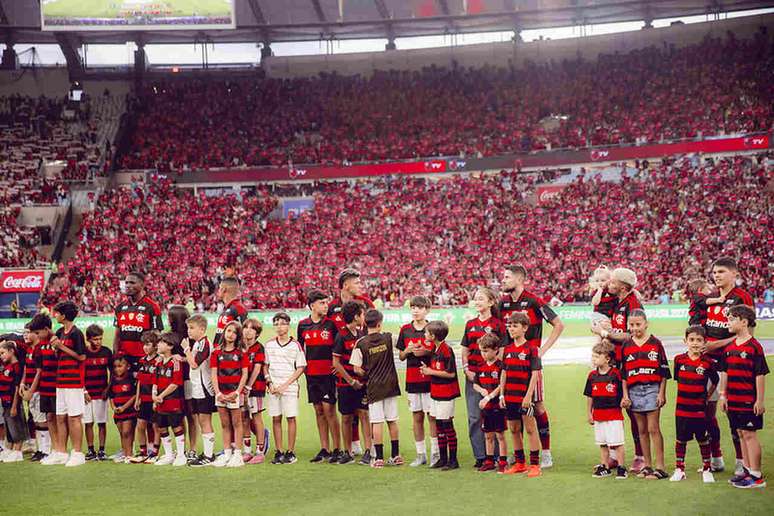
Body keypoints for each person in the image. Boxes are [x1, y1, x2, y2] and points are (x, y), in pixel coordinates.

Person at [499, 264, 564, 468]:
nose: (503, 280)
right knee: (511, 408)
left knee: (537, 406)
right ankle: (517, 454)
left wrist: (542, 350)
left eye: (507, 277)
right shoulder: (503, 303)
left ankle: (545, 452)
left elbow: (558, 324)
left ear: (519, 279)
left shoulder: (534, 301)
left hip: (530, 364)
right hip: (511, 363)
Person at [703, 257, 755, 475]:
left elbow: (748, 334)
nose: (717, 275)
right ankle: (716, 457)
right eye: (715, 272)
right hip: (708, 363)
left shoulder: (742, 298)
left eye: (722, 271)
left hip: (732, 364)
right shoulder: (711, 298)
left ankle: (742, 461)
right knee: (706, 412)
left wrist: (718, 344)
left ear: (734, 274)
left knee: (733, 414)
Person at [591, 267, 645, 472]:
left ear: (622, 286)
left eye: (612, 282)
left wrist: (604, 332)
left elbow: (631, 334)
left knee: (633, 411)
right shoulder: (618, 301)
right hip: (617, 361)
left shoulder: (632, 303)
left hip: (630, 362)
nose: (608, 284)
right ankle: (613, 456)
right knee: (612, 408)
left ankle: (640, 455)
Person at [718, 305, 768, 489]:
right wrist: (723, 396)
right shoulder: (729, 347)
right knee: (739, 433)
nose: (728, 322)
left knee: (749, 434)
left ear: (744, 322)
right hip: (733, 400)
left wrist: (759, 400)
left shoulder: (754, 346)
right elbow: (725, 372)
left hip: (748, 400)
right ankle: (747, 470)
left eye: (732, 319)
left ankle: (756, 475)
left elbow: (760, 374)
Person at [328, 268, 374, 456]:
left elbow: (374, 329)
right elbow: (329, 334)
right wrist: (334, 363)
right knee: (347, 411)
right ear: (346, 284)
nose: (360, 286)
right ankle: (352, 444)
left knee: (363, 410)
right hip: (342, 366)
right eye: (357, 282)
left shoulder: (366, 303)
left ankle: (367, 447)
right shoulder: (331, 307)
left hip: (362, 368)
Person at [620, 309, 671, 480]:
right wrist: (625, 395)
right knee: (641, 430)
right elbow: (624, 375)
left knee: (653, 428)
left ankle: (660, 467)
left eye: (638, 324)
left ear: (646, 323)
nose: (635, 328)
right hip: (634, 391)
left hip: (652, 389)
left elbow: (664, 371)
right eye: (631, 325)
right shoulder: (626, 345)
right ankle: (647, 466)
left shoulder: (655, 343)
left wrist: (661, 393)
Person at [461, 286, 506, 469]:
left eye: (481, 298)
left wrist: (495, 370)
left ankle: (496, 456)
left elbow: (502, 351)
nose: (477, 302)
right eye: (476, 299)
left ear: (491, 302)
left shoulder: (498, 324)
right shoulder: (470, 324)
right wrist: (466, 369)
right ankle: (480, 456)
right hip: (473, 376)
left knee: (493, 416)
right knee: (474, 417)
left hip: (493, 378)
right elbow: (464, 349)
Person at [351, 309, 402, 468]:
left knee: (377, 422)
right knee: (392, 420)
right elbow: (402, 343)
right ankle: (395, 455)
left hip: (374, 387)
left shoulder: (361, 343)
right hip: (391, 385)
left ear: (365, 323)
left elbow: (356, 368)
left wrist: (366, 373)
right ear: (379, 324)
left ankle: (379, 458)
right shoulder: (388, 337)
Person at [670, 326, 718, 483]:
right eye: (691, 340)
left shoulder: (708, 362)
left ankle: (706, 469)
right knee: (681, 439)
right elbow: (678, 379)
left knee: (702, 439)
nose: (695, 343)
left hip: (699, 410)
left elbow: (715, 381)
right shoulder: (679, 360)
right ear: (685, 341)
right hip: (682, 409)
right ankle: (679, 469)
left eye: (699, 340)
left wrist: (707, 396)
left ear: (705, 342)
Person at [298, 289, 342, 463]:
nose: (326, 306)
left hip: (328, 375)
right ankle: (325, 448)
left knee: (329, 410)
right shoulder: (303, 325)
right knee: (318, 411)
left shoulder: (331, 324)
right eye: (322, 303)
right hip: (312, 375)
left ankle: (337, 449)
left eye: (326, 302)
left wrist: (337, 366)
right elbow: (300, 350)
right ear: (312, 306)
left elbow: (338, 347)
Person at [396, 295, 438, 467]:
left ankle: (435, 452)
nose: (415, 310)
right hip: (412, 380)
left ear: (426, 310)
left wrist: (426, 352)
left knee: (432, 417)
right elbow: (400, 356)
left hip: (430, 379)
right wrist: (407, 350)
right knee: (417, 417)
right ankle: (421, 454)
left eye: (419, 307)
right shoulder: (405, 329)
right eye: (413, 307)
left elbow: (439, 352)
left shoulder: (433, 328)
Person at [500, 312, 542, 477]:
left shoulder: (532, 349)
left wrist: (528, 396)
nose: (511, 329)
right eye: (509, 326)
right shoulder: (508, 349)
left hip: (524, 398)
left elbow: (535, 374)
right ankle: (520, 463)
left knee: (531, 429)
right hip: (509, 396)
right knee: (514, 429)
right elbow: (504, 373)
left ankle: (535, 465)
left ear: (525, 328)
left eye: (515, 326)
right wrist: (502, 394)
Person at [264, 312, 306, 465]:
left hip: (289, 387)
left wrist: (286, 384)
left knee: (290, 418)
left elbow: (300, 367)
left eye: (282, 323)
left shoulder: (295, 345)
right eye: (276, 324)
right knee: (276, 418)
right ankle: (279, 450)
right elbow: (265, 366)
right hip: (274, 388)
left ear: (288, 325)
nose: (279, 327)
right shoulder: (269, 344)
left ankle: (290, 451)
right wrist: (269, 383)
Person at [332, 301, 370, 465]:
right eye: (362, 314)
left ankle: (369, 450)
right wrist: (351, 380)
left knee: (364, 414)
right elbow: (336, 363)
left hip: (362, 384)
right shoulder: (341, 335)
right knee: (346, 417)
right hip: (345, 385)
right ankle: (348, 452)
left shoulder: (363, 334)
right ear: (356, 316)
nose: (364, 317)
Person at [584, 340, 627, 479]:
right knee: (602, 443)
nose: (594, 359)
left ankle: (621, 467)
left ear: (607, 358)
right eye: (593, 356)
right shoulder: (592, 376)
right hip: (598, 415)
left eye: (597, 356)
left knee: (617, 442)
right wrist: (589, 413)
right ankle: (605, 466)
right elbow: (589, 396)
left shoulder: (616, 374)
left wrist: (624, 399)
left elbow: (622, 392)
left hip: (614, 415)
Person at [51, 301, 87, 467]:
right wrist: (56, 348)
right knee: (60, 417)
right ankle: (62, 452)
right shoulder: (59, 332)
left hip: (73, 382)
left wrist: (61, 347)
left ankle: (78, 453)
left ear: (64, 315)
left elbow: (81, 357)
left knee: (74, 418)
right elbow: (59, 356)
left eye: (57, 313)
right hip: (61, 381)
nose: (54, 315)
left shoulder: (76, 333)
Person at [421, 320, 460, 470]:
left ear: (433, 335)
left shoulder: (446, 350)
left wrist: (430, 372)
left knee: (447, 426)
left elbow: (450, 374)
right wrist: (428, 369)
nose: (425, 334)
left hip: (446, 394)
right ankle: (443, 459)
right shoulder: (436, 349)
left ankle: (453, 460)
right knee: (439, 426)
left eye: (427, 332)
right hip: (436, 393)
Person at [211, 320, 249, 468]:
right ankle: (227, 453)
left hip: (234, 393)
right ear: (224, 332)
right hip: (221, 393)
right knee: (225, 424)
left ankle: (238, 454)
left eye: (234, 332)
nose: (231, 334)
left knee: (237, 423)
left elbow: (244, 374)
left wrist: (237, 392)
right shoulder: (216, 352)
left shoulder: (241, 353)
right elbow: (214, 374)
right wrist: (218, 393)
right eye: (229, 331)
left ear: (238, 336)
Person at [182, 314, 217, 467]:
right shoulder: (198, 343)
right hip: (198, 387)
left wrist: (185, 350)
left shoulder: (204, 344)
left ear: (202, 329)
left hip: (205, 388)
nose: (189, 331)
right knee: (202, 421)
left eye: (192, 328)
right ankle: (207, 453)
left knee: (205, 421)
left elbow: (195, 363)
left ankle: (209, 456)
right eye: (188, 328)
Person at [472, 334, 507, 473]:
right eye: (481, 351)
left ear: (495, 350)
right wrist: (482, 391)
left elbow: (501, 385)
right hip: (485, 407)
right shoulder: (480, 367)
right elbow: (475, 384)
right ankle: (489, 460)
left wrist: (490, 396)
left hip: (497, 406)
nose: (483, 354)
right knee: (488, 434)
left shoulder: (500, 366)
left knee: (500, 435)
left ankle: (503, 461)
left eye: (486, 351)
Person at [113, 272, 163, 370]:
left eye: (132, 283)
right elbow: (117, 336)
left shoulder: (152, 307)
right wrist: (115, 355)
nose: (128, 286)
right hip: (124, 359)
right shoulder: (120, 307)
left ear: (142, 285)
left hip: (144, 358)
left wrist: (155, 357)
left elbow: (157, 334)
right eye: (126, 283)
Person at [29, 314, 60, 465]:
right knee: (49, 419)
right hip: (45, 390)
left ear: (46, 329)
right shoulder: (39, 347)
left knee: (60, 420)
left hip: (58, 388)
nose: (36, 336)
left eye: (38, 333)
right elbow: (39, 370)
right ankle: (54, 450)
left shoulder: (57, 341)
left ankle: (61, 450)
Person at [152, 333, 187, 467]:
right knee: (162, 427)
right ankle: (168, 454)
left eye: (161, 342)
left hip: (173, 400)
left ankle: (181, 455)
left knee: (176, 427)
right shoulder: (158, 362)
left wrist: (161, 395)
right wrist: (154, 395)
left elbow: (175, 383)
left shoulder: (175, 362)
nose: (158, 345)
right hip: (160, 401)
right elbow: (154, 381)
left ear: (170, 346)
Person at [18, 322, 50, 462]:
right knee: (36, 420)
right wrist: (23, 383)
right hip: (30, 388)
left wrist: (31, 390)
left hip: (38, 390)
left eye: (27, 332)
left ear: (34, 333)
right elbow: (26, 368)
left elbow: (39, 372)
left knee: (41, 420)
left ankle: (46, 450)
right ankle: (40, 449)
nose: (25, 335)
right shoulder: (29, 349)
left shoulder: (38, 349)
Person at [166, 305, 194, 460]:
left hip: (187, 379)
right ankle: (184, 449)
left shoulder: (189, 338)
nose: (168, 319)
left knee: (189, 414)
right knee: (182, 414)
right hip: (176, 380)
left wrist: (182, 359)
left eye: (170, 316)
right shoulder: (169, 336)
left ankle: (191, 448)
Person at [83, 324, 112, 461]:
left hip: (101, 393)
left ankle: (101, 450)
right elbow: (79, 373)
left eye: (100, 338)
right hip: (87, 394)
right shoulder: (83, 352)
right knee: (88, 422)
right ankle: (90, 450)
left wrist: (108, 388)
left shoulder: (106, 352)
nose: (98, 342)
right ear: (88, 339)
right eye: (95, 339)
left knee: (101, 422)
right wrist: (83, 391)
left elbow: (113, 373)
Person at [130, 330, 160, 463]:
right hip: (143, 400)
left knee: (156, 426)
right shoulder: (142, 361)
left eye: (148, 344)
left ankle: (154, 452)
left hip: (154, 399)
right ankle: (143, 452)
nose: (145, 347)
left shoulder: (159, 361)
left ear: (155, 346)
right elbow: (140, 381)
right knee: (140, 425)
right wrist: (137, 399)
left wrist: (157, 398)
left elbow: (159, 381)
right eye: (144, 345)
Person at [242, 318, 269, 464]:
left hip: (256, 388)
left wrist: (248, 387)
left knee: (256, 417)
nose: (247, 330)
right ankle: (247, 451)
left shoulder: (259, 348)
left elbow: (257, 368)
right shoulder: (240, 347)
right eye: (245, 327)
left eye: (252, 328)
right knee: (244, 418)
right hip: (240, 389)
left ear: (257, 333)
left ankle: (260, 451)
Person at [0, 341, 26, 462]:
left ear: (11, 351)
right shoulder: (6, 366)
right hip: (4, 401)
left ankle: (18, 450)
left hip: (12, 401)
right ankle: (10, 448)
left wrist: (15, 405)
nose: (1, 356)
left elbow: (16, 387)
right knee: (8, 425)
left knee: (16, 424)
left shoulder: (16, 366)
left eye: (3, 353)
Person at [109, 355, 137, 464]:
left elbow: (134, 396)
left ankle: (129, 454)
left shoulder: (130, 379)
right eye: (115, 367)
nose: (117, 369)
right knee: (122, 433)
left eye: (120, 366)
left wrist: (124, 407)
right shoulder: (113, 380)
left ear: (128, 366)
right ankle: (125, 453)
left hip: (128, 411)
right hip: (118, 412)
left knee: (127, 432)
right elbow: (111, 396)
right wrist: (114, 408)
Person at [212, 276, 248, 347]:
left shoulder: (238, 308)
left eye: (219, 288)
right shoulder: (227, 309)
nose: (218, 291)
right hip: (220, 354)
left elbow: (244, 335)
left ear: (223, 289)